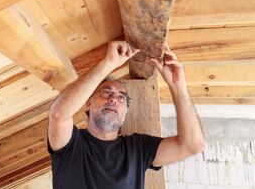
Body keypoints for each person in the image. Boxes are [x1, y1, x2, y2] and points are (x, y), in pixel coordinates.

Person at [47, 41, 206, 188]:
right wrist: (108, 63)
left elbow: (192, 145)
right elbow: (59, 113)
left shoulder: (138, 148)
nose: (113, 99)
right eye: (105, 92)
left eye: (121, 97)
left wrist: (178, 86)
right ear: (88, 102)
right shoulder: (71, 145)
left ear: (125, 112)